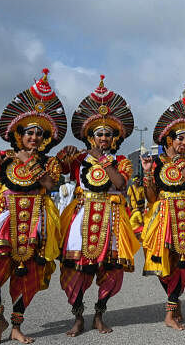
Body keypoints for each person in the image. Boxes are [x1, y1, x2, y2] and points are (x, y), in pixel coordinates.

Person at [0, 68, 65, 344]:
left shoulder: (47, 162)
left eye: (40, 134)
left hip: (35, 220)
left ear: (45, 138)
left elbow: (51, 187)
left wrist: (33, 163)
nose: (34, 138)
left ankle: (17, 327)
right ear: (19, 133)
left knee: (28, 274)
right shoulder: (3, 157)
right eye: (29, 133)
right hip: (4, 219)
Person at [57, 75, 140, 336]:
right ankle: (78, 316)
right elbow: (56, 171)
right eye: (98, 134)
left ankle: (100, 313)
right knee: (77, 269)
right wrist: (61, 158)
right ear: (90, 136)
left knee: (112, 270)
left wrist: (103, 161)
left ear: (115, 138)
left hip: (112, 217)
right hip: (82, 214)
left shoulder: (122, 161)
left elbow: (121, 183)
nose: (103, 138)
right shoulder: (79, 158)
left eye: (108, 134)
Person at [141, 87, 185, 330]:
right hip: (163, 214)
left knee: (184, 261)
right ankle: (174, 301)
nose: (184, 142)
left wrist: (182, 164)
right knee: (163, 263)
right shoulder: (157, 162)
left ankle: (170, 310)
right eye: (180, 137)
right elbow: (151, 197)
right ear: (170, 138)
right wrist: (148, 174)